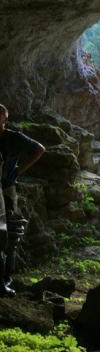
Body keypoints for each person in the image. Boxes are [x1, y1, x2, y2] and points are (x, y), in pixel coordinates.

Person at [0, 104, 45, 296]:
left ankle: (4, 281)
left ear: (5, 119)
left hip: (7, 189)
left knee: (8, 234)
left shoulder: (14, 137)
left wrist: (19, 170)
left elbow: (40, 149)